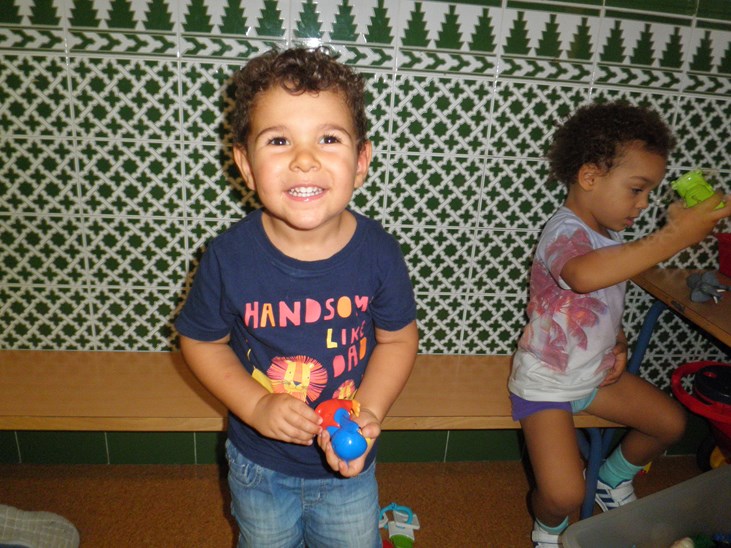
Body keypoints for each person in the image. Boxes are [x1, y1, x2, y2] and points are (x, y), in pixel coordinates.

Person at [175, 47, 418, 548]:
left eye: (328, 138)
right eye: (279, 140)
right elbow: (200, 342)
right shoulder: (227, 257)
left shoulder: (380, 253)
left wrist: (369, 413)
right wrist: (256, 405)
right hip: (259, 464)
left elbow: (398, 340)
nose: (304, 159)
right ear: (246, 165)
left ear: (361, 161)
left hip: (349, 464)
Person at [508, 101, 731, 547]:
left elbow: (604, 302)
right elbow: (582, 276)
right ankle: (546, 529)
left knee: (670, 423)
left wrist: (621, 342)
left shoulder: (610, 236)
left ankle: (610, 479)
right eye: (637, 189)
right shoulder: (564, 231)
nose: (644, 204)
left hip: (595, 375)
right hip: (547, 384)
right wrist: (674, 236)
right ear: (590, 177)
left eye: (649, 192)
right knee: (563, 494)